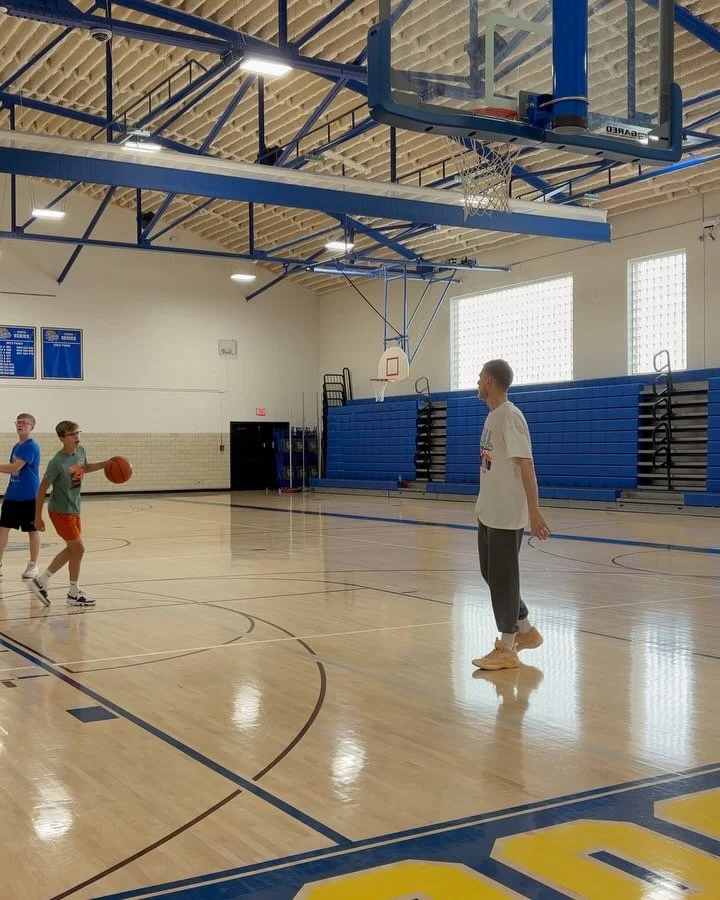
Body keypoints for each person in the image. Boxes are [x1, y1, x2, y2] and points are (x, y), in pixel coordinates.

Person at [472, 360, 550, 671]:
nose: (478, 382)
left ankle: (507, 646)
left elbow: (526, 464)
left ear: (489, 383)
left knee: (503, 578)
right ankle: (526, 630)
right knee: (491, 574)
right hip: (489, 511)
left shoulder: (511, 416)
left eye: (480, 377)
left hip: (506, 514)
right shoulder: (493, 416)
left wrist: (534, 510)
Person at [29, 421, 112, 608]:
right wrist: (37, 517)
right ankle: (72, 593)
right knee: (78, 549)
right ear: (62, 438)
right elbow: (42, 490)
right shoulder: (57, 463)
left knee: (73, 549)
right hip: (60, 511)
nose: (76, 436)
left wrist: (106, 464)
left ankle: (41, 582)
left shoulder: (80, 451)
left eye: (77, 432)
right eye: (72, 434)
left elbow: (85, 467)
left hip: (74, 508)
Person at [0, 413, 41, 583]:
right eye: (18, 422)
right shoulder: (17, 446)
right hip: (12, 495)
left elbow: (15, 467)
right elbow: (12, 470)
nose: (20, 425)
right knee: (2, 529)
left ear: (32, 427)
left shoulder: (31, 446)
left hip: (30, 496)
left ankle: (33, 565)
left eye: (24, 423)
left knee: (32, 531)